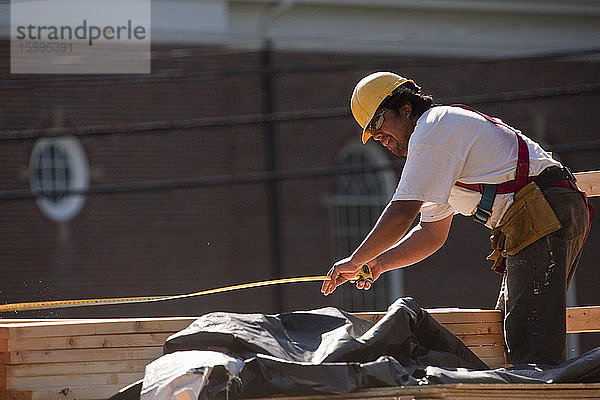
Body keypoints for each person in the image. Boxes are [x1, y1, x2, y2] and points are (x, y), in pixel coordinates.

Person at [321, 71, 592, 366]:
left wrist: (355, 260)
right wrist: (378, 264)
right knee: (514, 330)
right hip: (542, 212)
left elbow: (402, 214)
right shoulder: (436, 146)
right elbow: (430, 233)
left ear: (405, 109)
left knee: (533, 346)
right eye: (371, 132)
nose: (378, 136)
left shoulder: (432, 131)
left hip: (544, 211)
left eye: (378, 123)